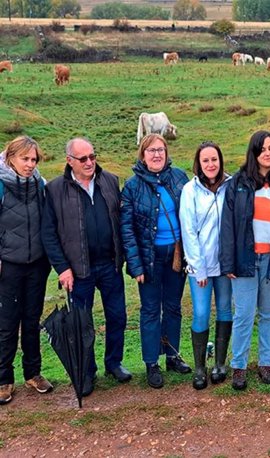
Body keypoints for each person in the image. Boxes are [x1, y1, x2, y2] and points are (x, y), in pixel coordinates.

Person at [42, 137, 130, 396]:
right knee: (82, 324)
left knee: (117, 317)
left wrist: (123, 257)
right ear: (69, 161)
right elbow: (49, 233)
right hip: (78, 270)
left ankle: (114, 363)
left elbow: (121, 221)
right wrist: (62, 268)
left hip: (110, 265)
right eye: (83, 159)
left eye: (92, 156)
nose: (90, 162)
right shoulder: (55, 190)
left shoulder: (110, 181)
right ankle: (87, 371)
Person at [220, 131, 270, 390]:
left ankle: (266, 362)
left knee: (268, 313)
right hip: (245, 258)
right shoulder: (239, 183)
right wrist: (228, 262)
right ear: (253, 153)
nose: (268, 153)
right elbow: (228, 225)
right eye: (262, 149)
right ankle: (239, 365)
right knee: (243, 313)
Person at [121, 134, 191, 389]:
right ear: (143, 154)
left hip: (175, 255)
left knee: (173, 306)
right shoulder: (132, 186)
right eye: (151, 150)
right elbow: (127, 229)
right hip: (150, 258)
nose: (157, 155)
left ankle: (172, 355)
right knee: (151, 310)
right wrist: (136, 265)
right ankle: (152, 362)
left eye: (161, 150)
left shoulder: (179, 178)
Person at [0, 136, 52, 405]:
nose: (30, 164)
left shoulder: (39, 185)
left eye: (34, 160)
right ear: (11, 158)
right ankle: (3, 379)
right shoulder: (1, 185)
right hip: (8, 265)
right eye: (25, 159)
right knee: (7, 322)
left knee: (32, 319)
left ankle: (33, 373)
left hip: (37, 264)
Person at [180, 141, 233, 389]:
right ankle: (200, 368)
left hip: (225, 265)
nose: (211, 164)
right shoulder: (190, 191)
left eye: (214, 159)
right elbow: (188, 231)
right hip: (200, 266)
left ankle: (220, 364)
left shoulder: (230, 186)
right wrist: (197, 267)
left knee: (224, 309)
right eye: (205, 161)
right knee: (201, 312)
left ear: (220, 161)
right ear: (199, 164)